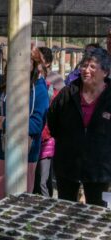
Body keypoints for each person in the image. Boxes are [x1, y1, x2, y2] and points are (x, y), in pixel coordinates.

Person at [0, 46, 49, 205]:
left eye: (26, 60)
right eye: (17, 58)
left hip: (25, 154)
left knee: (20, 204)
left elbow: (36, 124)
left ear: (34, 64)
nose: (20, 63)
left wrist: (7, 123)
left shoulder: (39, 89)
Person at [48, 48, 111, 207]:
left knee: (97, 212)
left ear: (105, 72)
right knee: (65, 207)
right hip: (67, 164)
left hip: (100, 169)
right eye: (84, 65)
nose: (86, 70)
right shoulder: (68, 93)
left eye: (92, 66)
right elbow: (52, 122)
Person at [33, 47, 64, 197]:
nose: (36, 64)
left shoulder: (56, 81)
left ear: (49, 63)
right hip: (32, 137)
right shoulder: (30, 79)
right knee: (33, 178)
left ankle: (47, 206)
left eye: (40, 61)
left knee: (43, 181)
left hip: (47, 138)